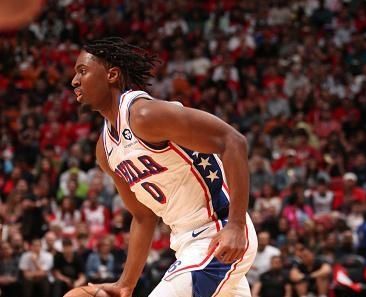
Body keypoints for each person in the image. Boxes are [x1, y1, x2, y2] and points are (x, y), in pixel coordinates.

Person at [71, 37, 257, 297]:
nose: (74, 81)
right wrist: (126, 283)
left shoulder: (144, 115)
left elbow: (233, 141)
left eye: (82, 71)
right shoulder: (105, 151)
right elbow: (143, 216)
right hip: (184, 244)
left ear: (111, 75)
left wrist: (236, 225)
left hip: (217, 233)